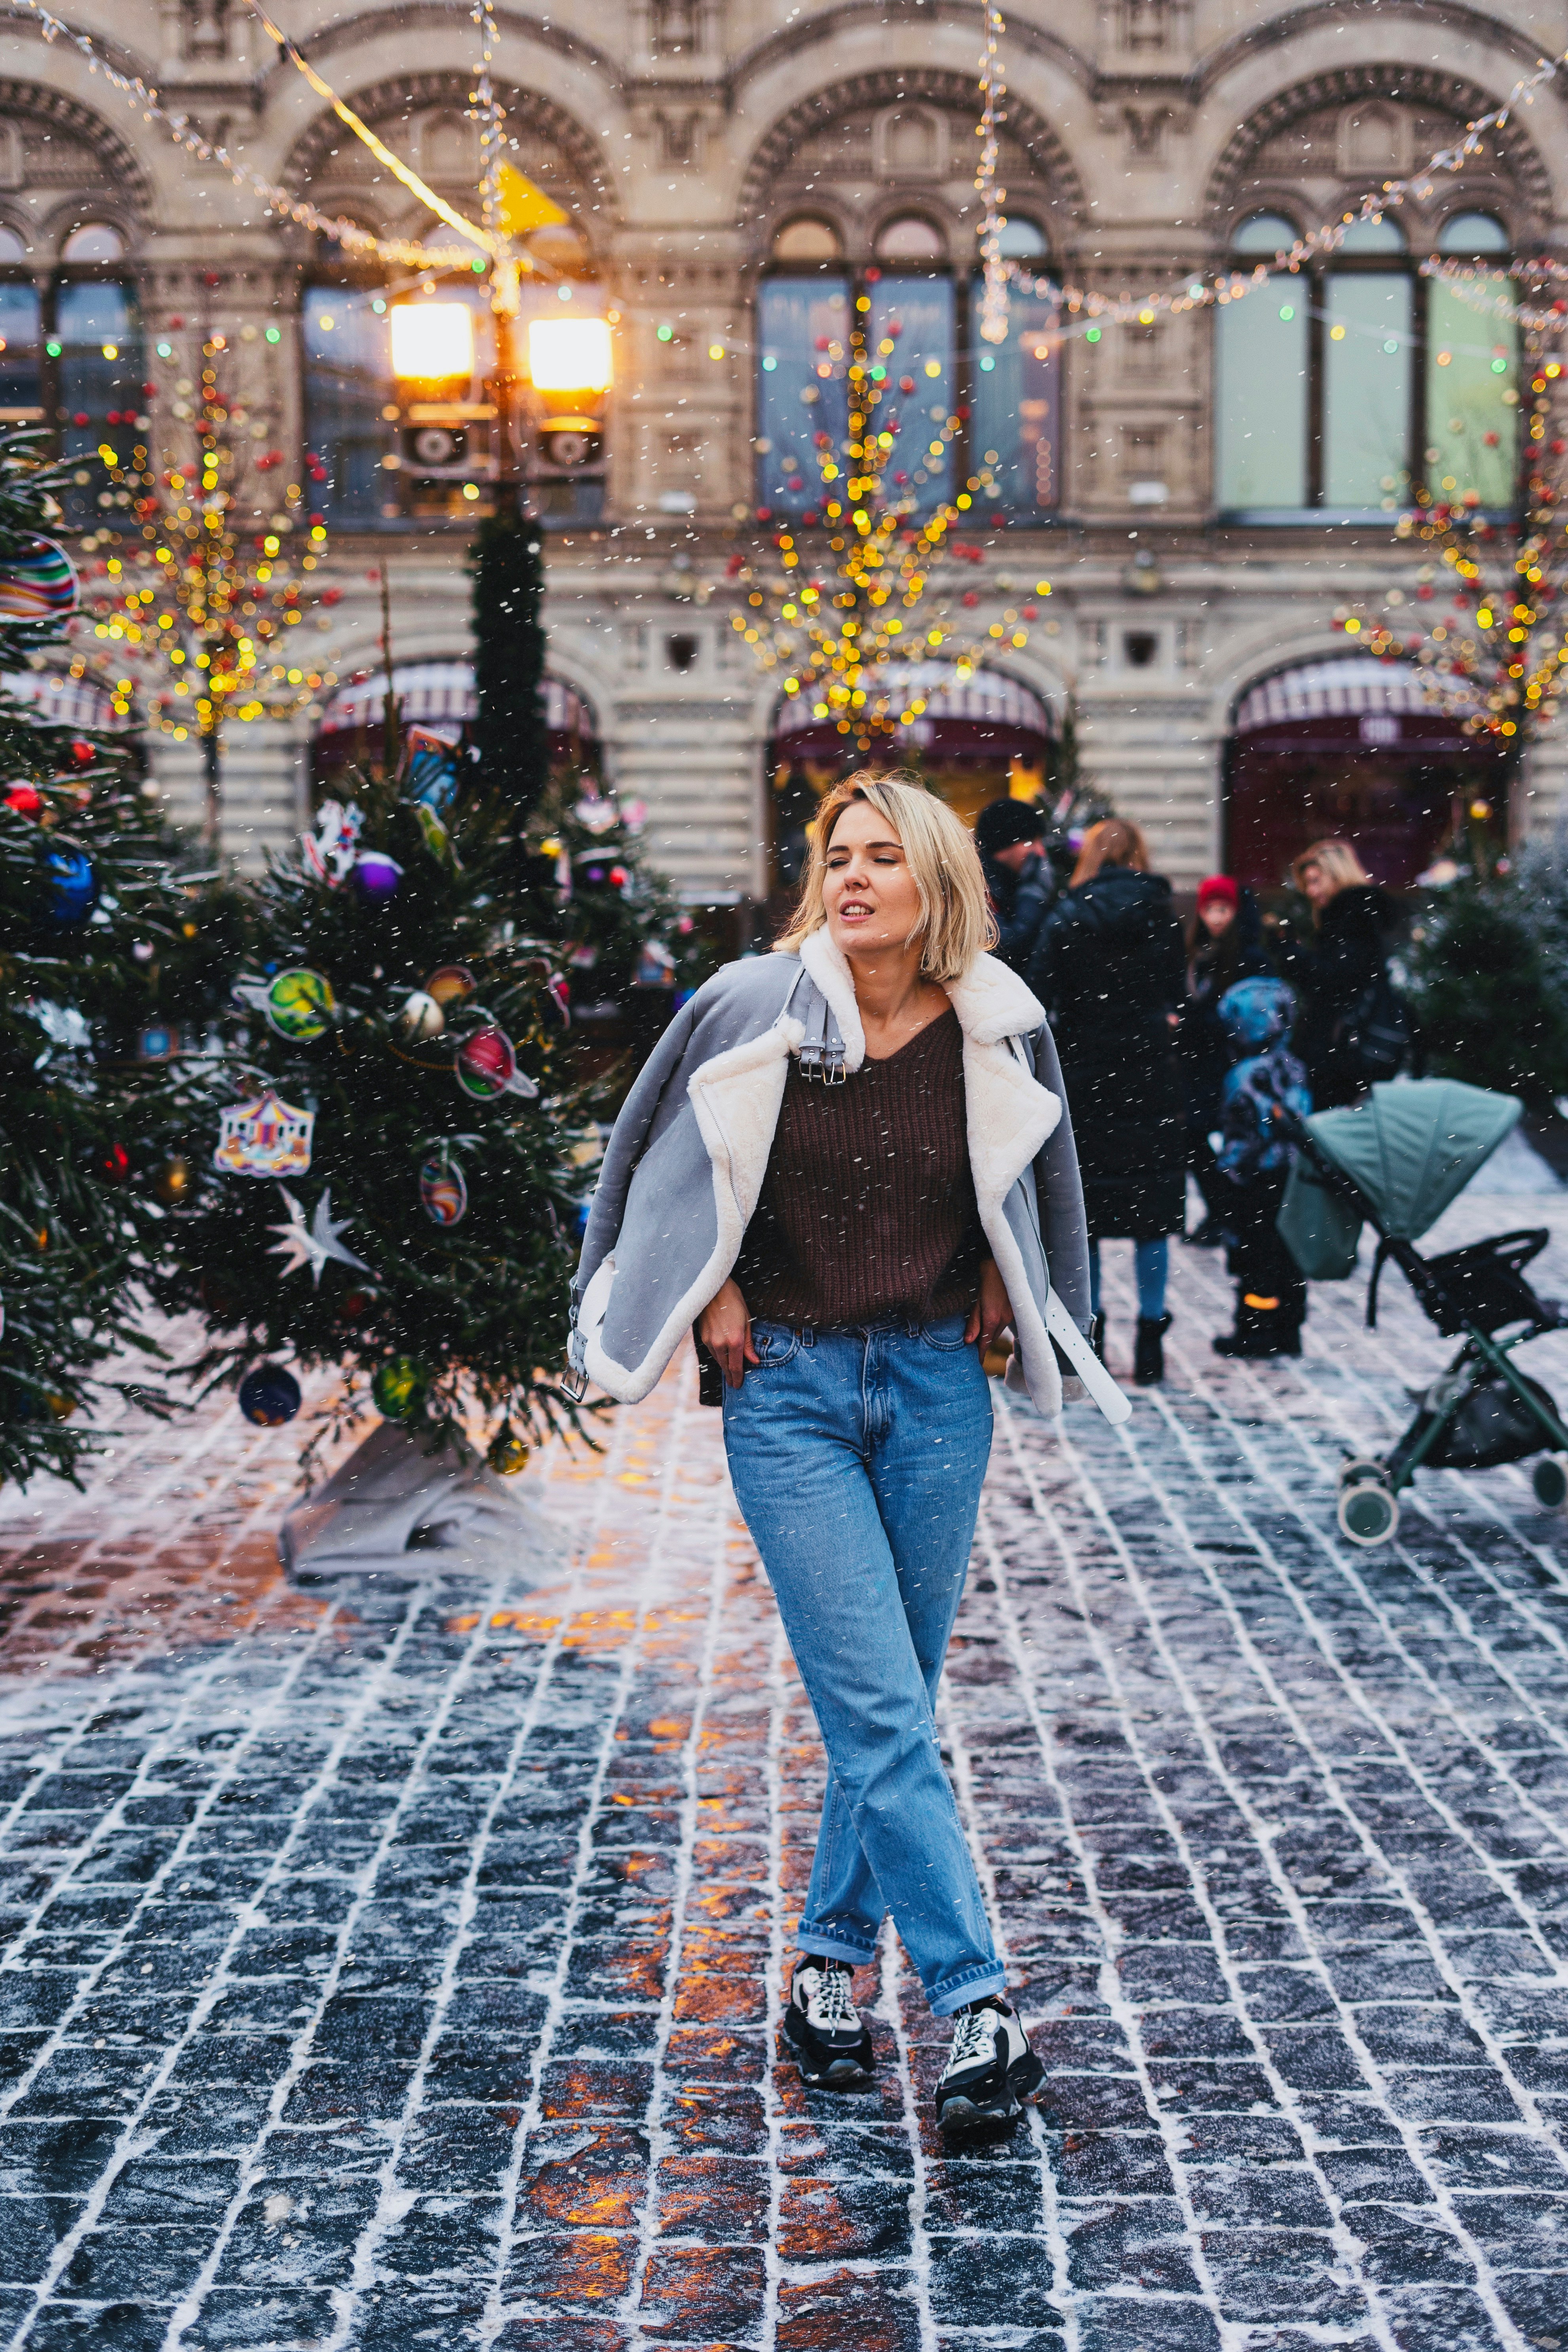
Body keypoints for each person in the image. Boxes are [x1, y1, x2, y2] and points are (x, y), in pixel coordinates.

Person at [569, 774, 1105, 2147]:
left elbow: (1034, 1179)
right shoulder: (754, 1005)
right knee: (879, 1707)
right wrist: (709, 1290)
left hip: (936, 1386)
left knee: (894, 1704)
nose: (852, 877)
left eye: (883, 858)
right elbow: (657, 1163)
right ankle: (974, 1999)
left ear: (937, 883)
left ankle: (822, 1971)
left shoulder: (997, 1020)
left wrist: (1008, 1269)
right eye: (837, 857)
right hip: (789, 1390)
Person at [1029, 817, 1186, 1385]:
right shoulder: (1160, 912)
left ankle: (1087, 1337)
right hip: (1148, 1073)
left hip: (1085, 1074)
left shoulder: (1068, 914)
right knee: (1152, 1215)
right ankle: (1150, 1339)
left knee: (1086, 1216)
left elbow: (1038, 991)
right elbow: (1176, 994)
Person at [1210, 977, 1312, 1358]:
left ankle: (1254, 1329)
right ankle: (1289, 1328)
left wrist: (1227, 1169)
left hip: (1254, 1178)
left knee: (1253, 1256)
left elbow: (1241, 1129)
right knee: (1285, 1253)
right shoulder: (1294, 1066)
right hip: (1291, 1173)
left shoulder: (1244, 1074)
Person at [1276, 839, 1405, 1109]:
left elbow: (1334, 981)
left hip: (1343, 1047)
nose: (1311, 891)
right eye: (1307, 884)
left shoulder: (1350, 918)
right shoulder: (1354, 915)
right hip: (1350, 1043)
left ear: (1337, 874)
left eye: (1316, 880)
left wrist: (1291, 954)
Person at [1180, 876, 1270, 1247]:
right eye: (1209, 910)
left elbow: (1247, 1016)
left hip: (1233, 1064)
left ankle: (1233, 1214)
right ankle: (1224, 1211)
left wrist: (1198, 1021)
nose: (1216, 918)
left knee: (1234, 1137)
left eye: (1223, 909)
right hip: (1200, 1064)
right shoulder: (1196, 954)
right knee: (1194, 1137)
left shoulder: (1248, 956)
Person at [975, 796, 1056, 976]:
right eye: (1031, 841)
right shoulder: (976, 885)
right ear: (1004, 843)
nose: (1040, 851)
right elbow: (1008, 946)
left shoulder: (1009, 882)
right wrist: (1035, 892)